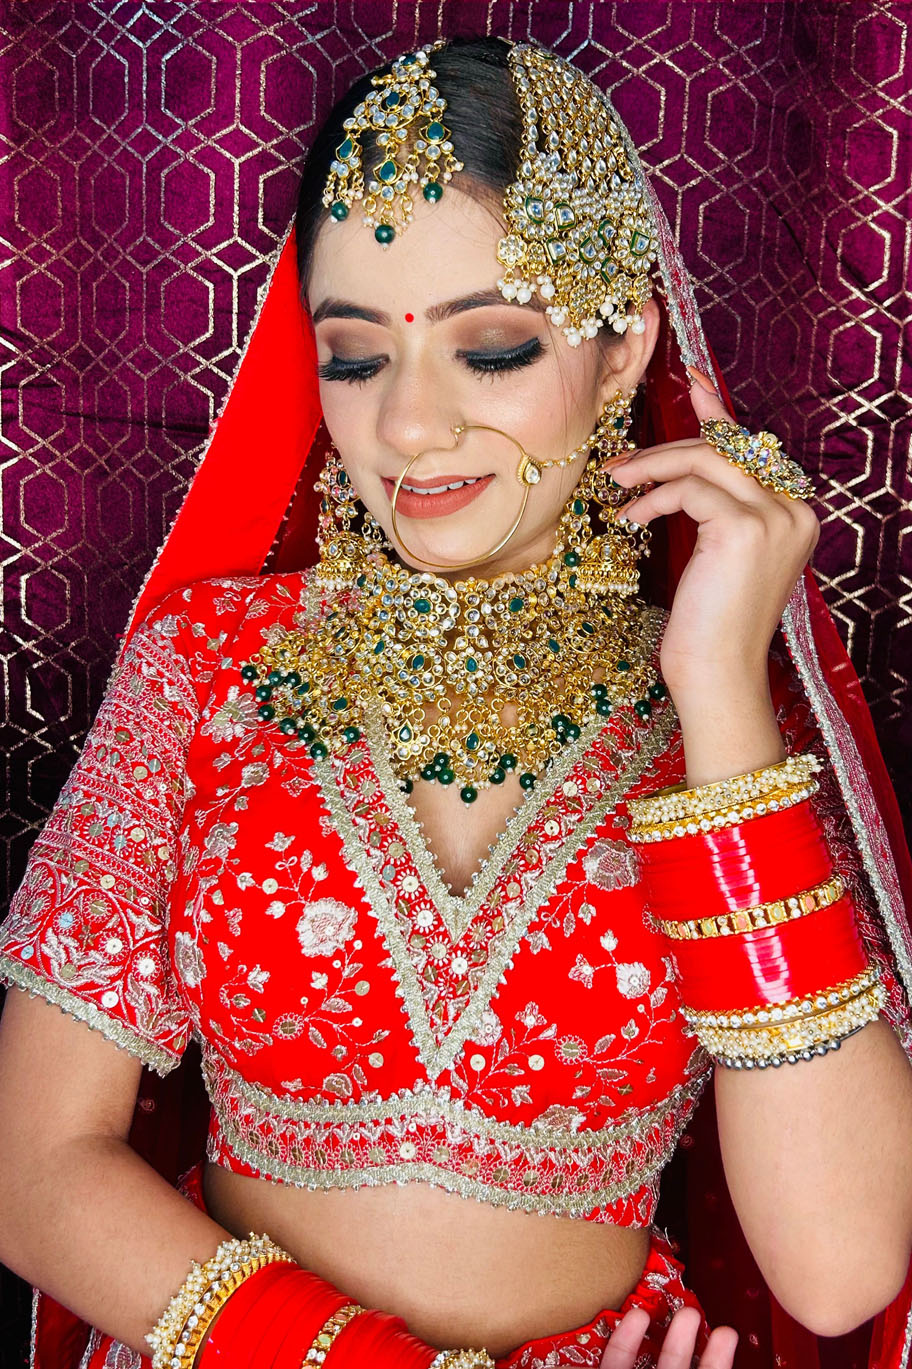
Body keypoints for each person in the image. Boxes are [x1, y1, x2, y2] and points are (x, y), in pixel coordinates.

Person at [1, 34, 911, 1369]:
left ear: (621, 348)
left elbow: (839, 1270)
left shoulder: (725, 730)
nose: (410, 427)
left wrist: (719, 689)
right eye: (355, 356)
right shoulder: (209, 666)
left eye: (489, 347)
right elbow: (34, 1172)